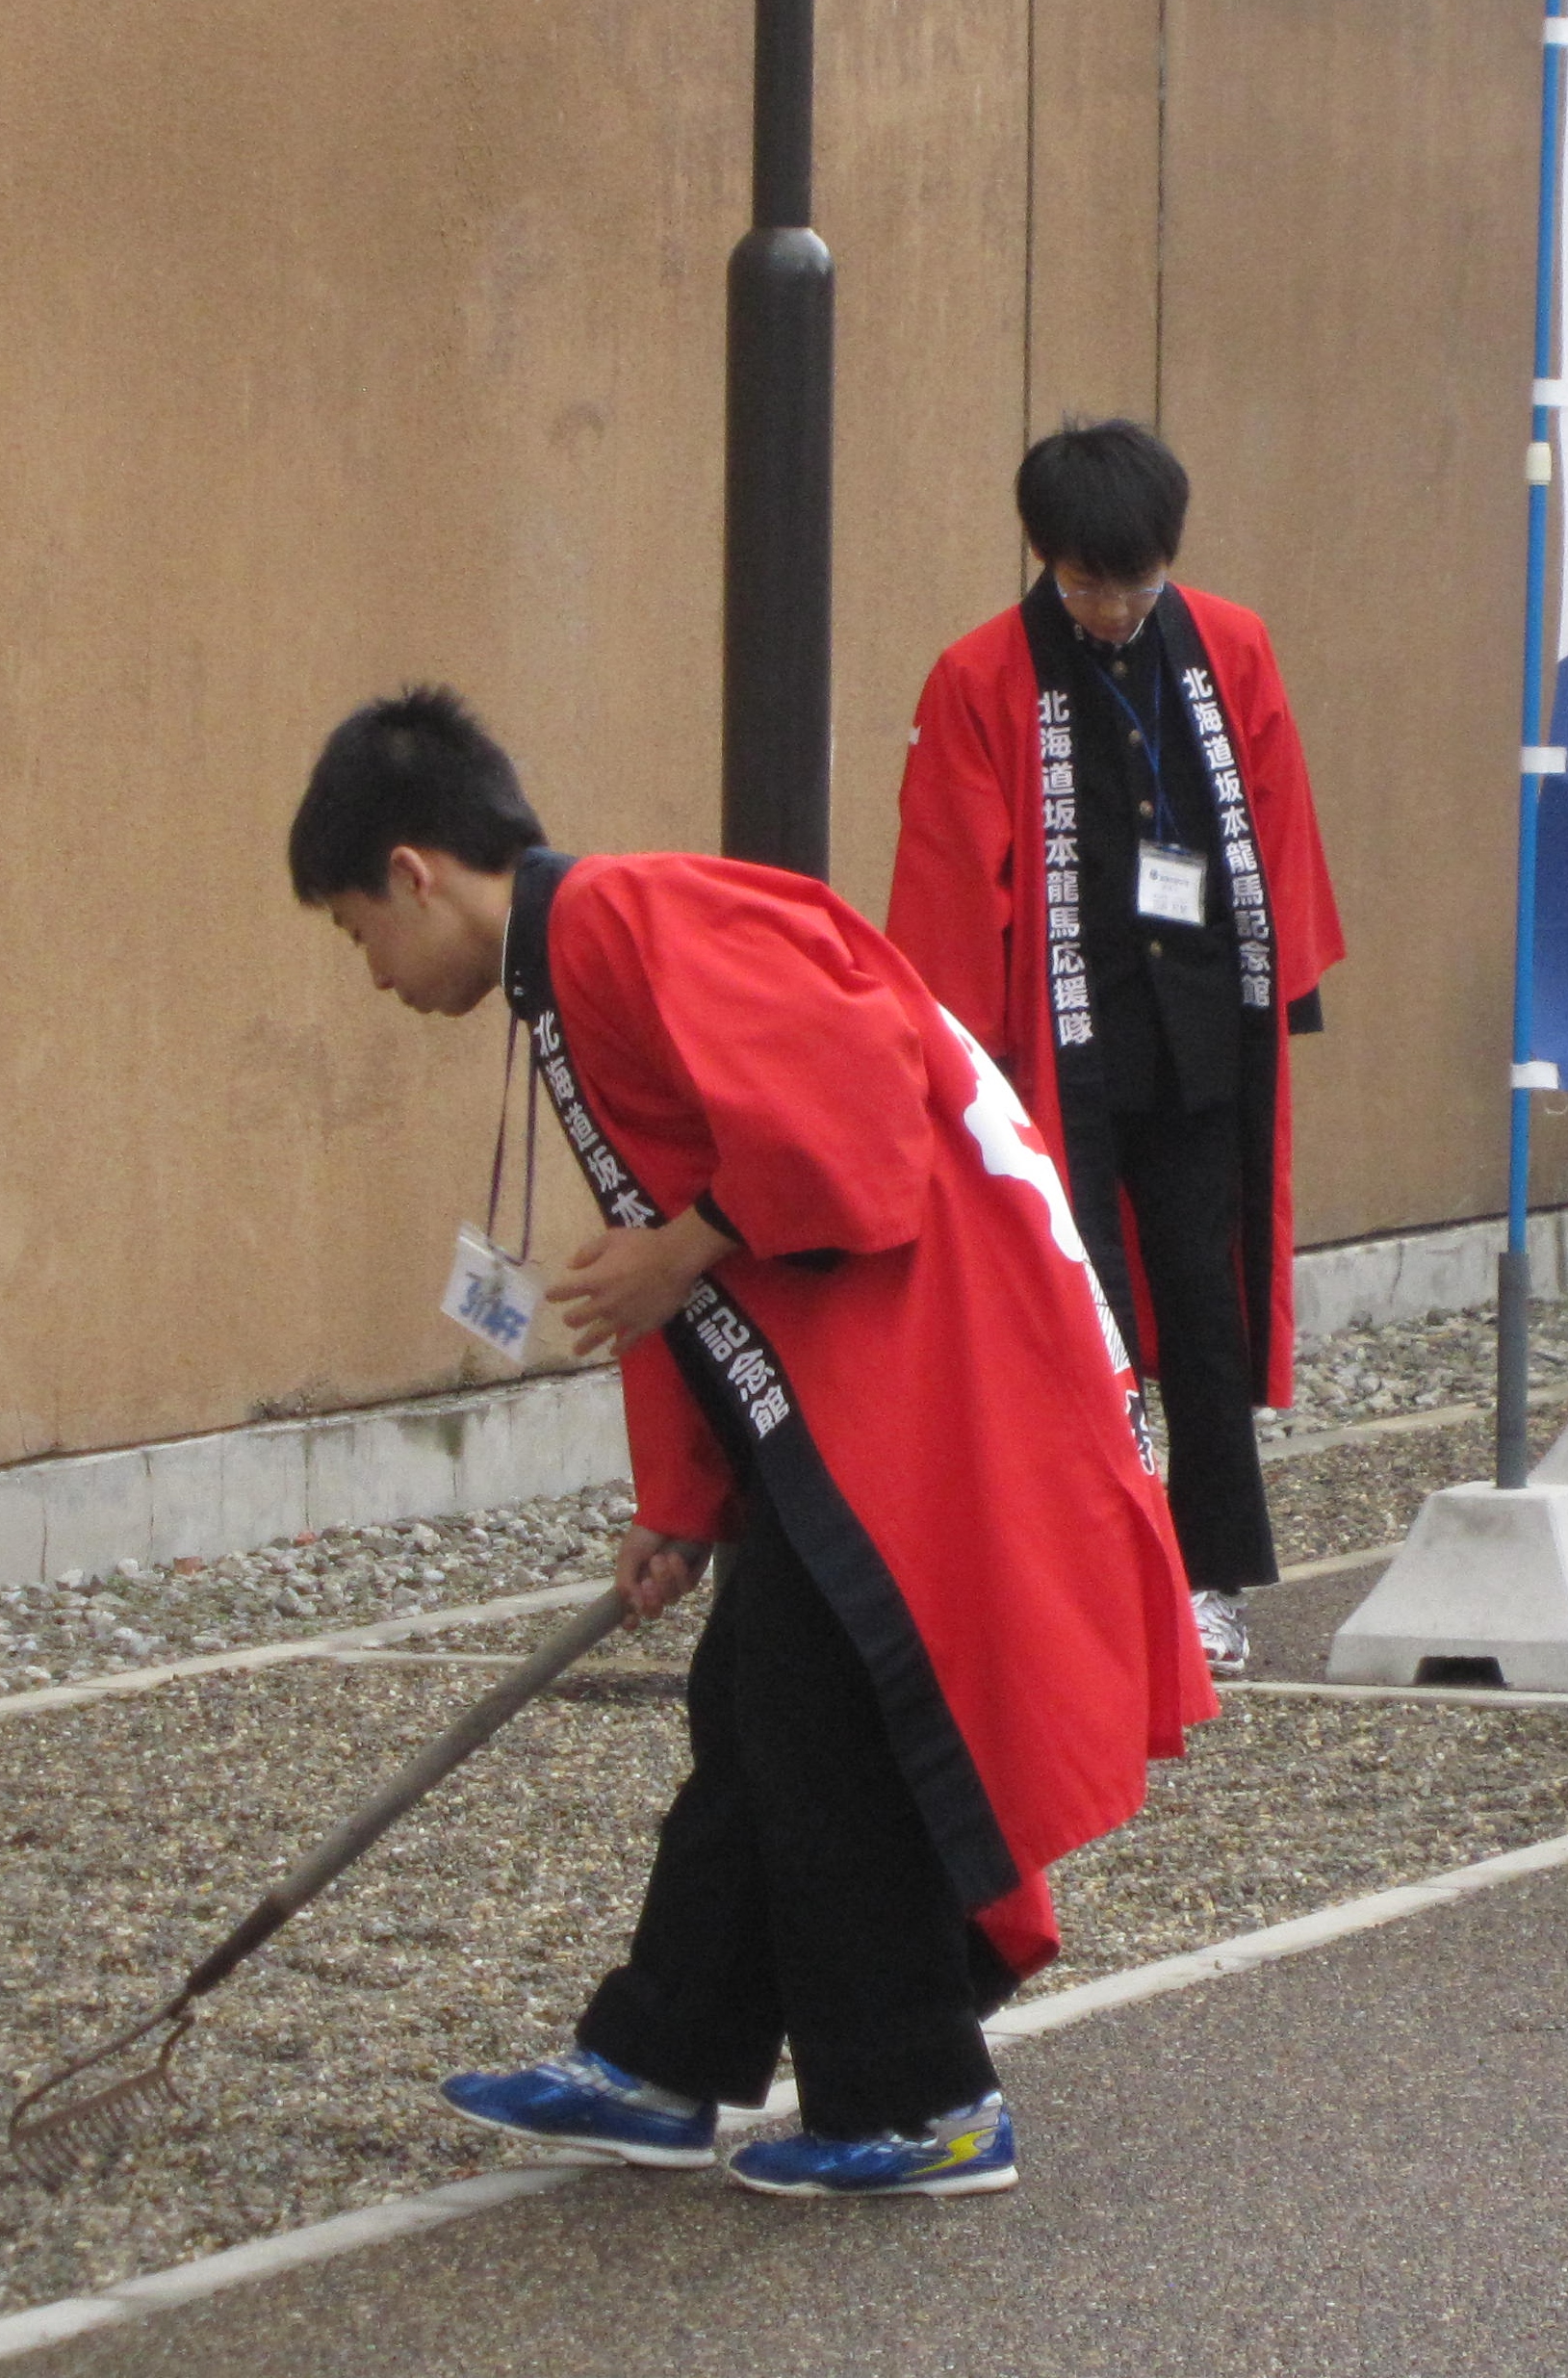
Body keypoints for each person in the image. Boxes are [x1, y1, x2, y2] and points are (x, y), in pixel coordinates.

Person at [288, 689, 1209, 2198]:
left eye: (355, 934)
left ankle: (921, 2101)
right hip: (850, 1386)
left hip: (926, 1368)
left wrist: (688, 1246)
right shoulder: (573, 968)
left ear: (411, 873)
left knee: (812, 1717)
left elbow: (853, 1135)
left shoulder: (634, 923)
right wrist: (685, 1505)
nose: (375, 978)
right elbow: (679, 1270)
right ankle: (662, 2062)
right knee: (755, 1702)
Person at [887, 420, 1344, 1676]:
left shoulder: (1228, 644)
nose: (1111, 610)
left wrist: (1281, 990)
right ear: (1044, 556)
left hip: (1198, 1032)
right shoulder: (979, 676)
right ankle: (1090, 1572)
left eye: (1136, 585)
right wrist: (954, 1067)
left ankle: (1208, 1578)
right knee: (1076, 1320)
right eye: (1087, 584)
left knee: (1202, 1312)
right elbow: (946, 872)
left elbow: (1277, 804)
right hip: (1058, 1045)